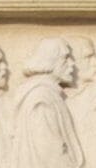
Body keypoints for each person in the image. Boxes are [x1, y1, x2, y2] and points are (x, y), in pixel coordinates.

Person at [14, 40, 86, 168]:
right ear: (50, 61)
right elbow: (50, 153)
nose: (72, 64)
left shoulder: (50, 94)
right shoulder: (42, 98)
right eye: (65, 59)